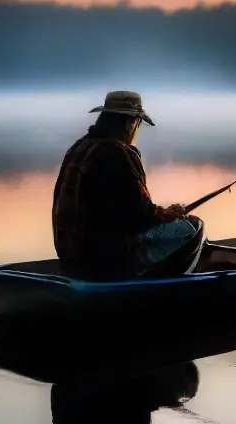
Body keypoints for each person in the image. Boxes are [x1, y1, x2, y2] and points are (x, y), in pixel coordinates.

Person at [52, 90, 204, 281]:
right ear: (130, 122)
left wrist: (165, 213)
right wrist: (171, 214)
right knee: (191, 227)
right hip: (104, 262)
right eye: (138, 123)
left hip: (71, 258)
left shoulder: (78, 148)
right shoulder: (119, 154)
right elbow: (140, 215)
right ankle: (147, 283)